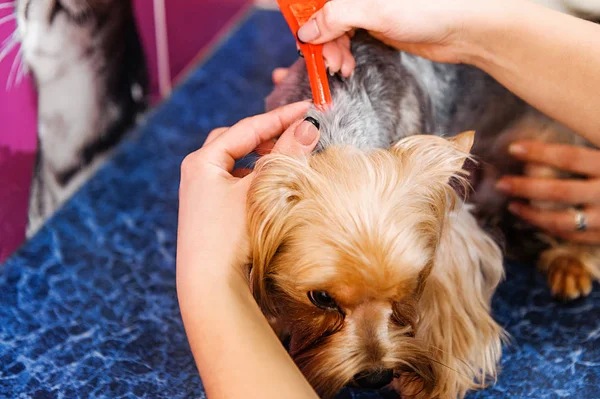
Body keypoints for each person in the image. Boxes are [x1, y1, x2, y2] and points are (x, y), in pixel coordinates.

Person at [177, 1, 600, 397]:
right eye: (325, 299)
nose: (375, 362)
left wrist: (212, 277)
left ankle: (572, 251)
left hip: (532, 134)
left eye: (402, 295)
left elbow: (440, 241)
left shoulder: (409, 144)